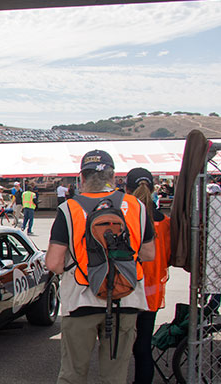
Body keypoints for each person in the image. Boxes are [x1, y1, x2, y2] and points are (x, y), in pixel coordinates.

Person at [45, 149, 156, 384]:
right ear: (113, 177)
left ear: (82, 178)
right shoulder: (136, 206)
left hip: (81, 299)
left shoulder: (69, 209)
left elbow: (54, 263)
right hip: (125, 299)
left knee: (73, 374)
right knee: (114, 376)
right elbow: (148, 254)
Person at [125, 168, 171, 384]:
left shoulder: (122, 218)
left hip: (123, 289)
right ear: (153, 189)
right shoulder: (164, 222)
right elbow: (169, 257)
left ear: (126, 188)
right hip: (152, 292)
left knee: (117, 345)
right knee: (143, 348)